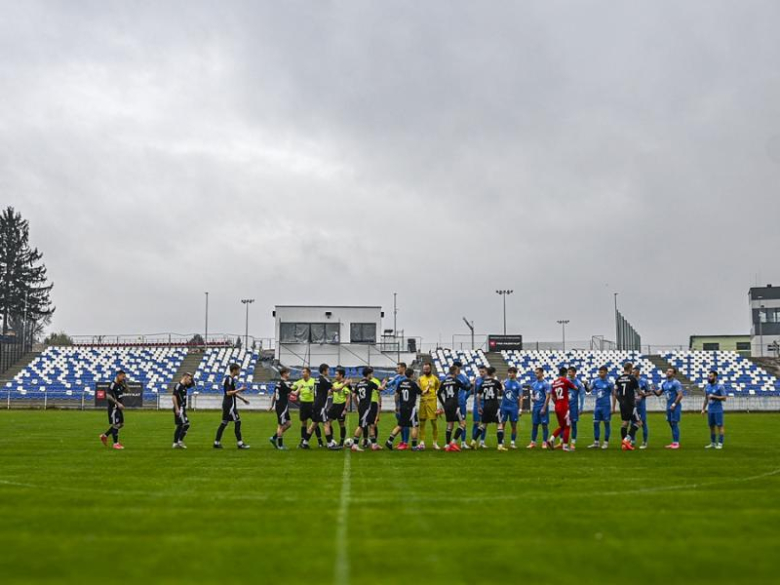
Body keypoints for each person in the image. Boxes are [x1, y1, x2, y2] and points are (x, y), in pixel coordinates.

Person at [214, 363, 250, 450]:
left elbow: (232, 393)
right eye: (238, 370)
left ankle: (216, 443)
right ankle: (240, 444)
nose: (239, 371)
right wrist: (240, 389)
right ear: (234, 370)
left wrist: (242, 399)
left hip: (227, 404)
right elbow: (228, 393)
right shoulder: (229, 379)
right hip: (230, 405)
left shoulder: (230, 379)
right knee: (238, 422)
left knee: (224, 423)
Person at [385, 368, 423, 450]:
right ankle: (414, 446)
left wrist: (397, 406)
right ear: (412, 375)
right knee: (414, 426)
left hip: (402, 407)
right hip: (410, 408)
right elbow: (421, 392)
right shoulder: (413, 384)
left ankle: (389, 441)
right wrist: (421, 386)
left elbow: (396, 395)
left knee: (400, 425)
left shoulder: (400, 383)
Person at [437, 365, 468, 452]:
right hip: (454, 404)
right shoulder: (456, 381)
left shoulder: (444, 381)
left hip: (447, 405)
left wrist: (443, 404)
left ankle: (447, 444)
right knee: (462, 424)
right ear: (454, 371)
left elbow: (438, 393)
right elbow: (466, 388)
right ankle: (453, 443)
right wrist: (471, 384)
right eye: (457, 371)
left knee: (450, 424)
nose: (458, 372)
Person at [350, 367, 380, 452]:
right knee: (361, 426)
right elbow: (381, 388)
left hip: (362, 406)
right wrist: (385, 383)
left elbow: (354, 396)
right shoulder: (370, 383)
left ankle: (374, 445)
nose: (372, 375)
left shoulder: (358, 383)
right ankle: (355, 445)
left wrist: (357, 405)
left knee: (371, 424)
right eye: (372, 373)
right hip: (367, 407)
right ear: (369, 374)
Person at [476, 366, 506, 451]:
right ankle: (500, 445)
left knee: (483, 424)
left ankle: (474, 441)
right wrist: (502, 385)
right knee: (499, 424)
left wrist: (478, 406)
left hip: (485, 405)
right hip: (494, 405)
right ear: (493, 373)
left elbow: (478, 396)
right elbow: (501, 391)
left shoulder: (483, 383)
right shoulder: (495, 381)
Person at [613, 362, 641, 451]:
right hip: (631, 404)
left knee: (625, 423)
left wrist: (620, 400)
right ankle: (626, 439)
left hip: (623, 404)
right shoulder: (632, 378)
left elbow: (614, 392)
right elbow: (639, 392)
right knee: (639, 422)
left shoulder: (618, 378)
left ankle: (624, 445)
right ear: (630, 368)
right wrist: (648, 393)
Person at [302, 363, 331, 449]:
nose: (328, 371)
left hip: (315, 404)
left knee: (314, 424)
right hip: (321, 405)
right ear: (324, 370)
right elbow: (334, 389)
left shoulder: (317, 379)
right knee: (326, 423)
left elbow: (323, 391)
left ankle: (305, 442)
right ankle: (330, 443)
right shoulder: (325, 380)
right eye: (328, 370)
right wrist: (345, 384)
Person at [654, 367, 684, 449]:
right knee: (671, 424)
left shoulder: (676, 383)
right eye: (667, 371)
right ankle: (674, 442)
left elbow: (680, 394)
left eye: (670, 371)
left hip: (675, 406)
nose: (668, 372)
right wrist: (653, 390)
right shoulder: (664, 383)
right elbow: (658, 393)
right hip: (668, 406)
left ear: (674, 374)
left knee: (674, 423)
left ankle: (676, 443)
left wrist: (674, 404)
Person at [269, 367, 297, 450]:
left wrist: (271, 405)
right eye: (288, 373)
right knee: (280, 426)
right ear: (284, 374)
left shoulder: (278, 383)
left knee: (288, 424)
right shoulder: (283, 384)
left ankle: (274, 438)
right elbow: (295, 393)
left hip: (281, 406)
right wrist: (300, 387)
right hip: (282, 407)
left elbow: (274, 395)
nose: (289, 374)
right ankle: (280, 445)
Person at [549, 367, 577, 451]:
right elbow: (575, 388)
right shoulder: (565, 381)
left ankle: (551, 439)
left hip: (557, 406)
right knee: (568, 426)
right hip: (564, 407)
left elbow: (553, 397)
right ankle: (565, 446)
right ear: (565, 373)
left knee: (562, 426)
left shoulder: (554, 383)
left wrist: (557, 403)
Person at [100, 370, 127, 450]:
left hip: (118, 408)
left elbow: (127, 391)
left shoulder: (120, 384)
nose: (123, 378)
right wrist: (117, 403)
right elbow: (108, 396)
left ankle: (104, 436)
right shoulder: (112, 384)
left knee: (121, 424)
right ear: (118, 375)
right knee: (116, 424)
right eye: (122, 376)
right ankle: (116, 444)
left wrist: (125, 385)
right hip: (114, 408)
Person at [384, 363, 410, 447]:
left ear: (403, 368)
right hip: (398, 403)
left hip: (405, 403)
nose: (397, 369)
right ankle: (403, 441)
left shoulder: (407, 379)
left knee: (405, 424)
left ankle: (405, 442)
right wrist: (384, 383)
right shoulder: (397, 377)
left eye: (398, 368)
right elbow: (388, 385)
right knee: (401, 423)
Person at [325, 367, 351, 449]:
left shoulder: (346, 385)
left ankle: (342, 442)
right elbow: (329, 393)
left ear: (341, 375)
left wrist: (345, 409)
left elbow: (348, 398)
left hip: (341, 406)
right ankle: (331, 440)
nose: (335, 375)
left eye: (336, 374)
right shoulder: (334, 384)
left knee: (341, 424)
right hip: (334, 406)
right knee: (328, 422)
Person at [587, 366, 613, 449]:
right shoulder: (595, 381)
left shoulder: (609, 383)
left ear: (606, 372)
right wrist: (585, 385)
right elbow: (588, 390)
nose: (600, 373)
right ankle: (596, 442)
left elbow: (614, 394)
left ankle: (606, 442)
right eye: (599, 372)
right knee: (595, 424)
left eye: (602, 372)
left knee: (606, 424)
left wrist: (613, 407)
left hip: (606, 406)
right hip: (597, 406)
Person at [417, 363, 441, 450]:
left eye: (427, 369)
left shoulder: (435, 379)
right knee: (422, 422)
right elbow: (419, 390)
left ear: (430, 369)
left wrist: (439, 405)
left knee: (434, 423)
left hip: (432, 402)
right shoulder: (420, 379)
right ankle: (422, 442)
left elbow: (438, 389)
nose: (426, 370)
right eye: (424, 369)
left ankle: (435, 443)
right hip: (423, 402)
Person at [701, 370, 726, 449]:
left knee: (720, 426)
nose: (709, 377)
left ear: (715, 377)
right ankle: (713, 443)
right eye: (709, 376)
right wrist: (703, 409)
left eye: (711, 376)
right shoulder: (707, 387)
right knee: (711, 427)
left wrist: (714, 396)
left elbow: (724, 398)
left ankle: (720, 443)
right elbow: (706, 399)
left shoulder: (720, 386)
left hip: (718, 410)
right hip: (710, 410)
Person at [526, 367, 551, 449]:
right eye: (535, 373)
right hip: (535, 407)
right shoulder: (533, 384)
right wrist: (532, 398)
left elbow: (547, 397)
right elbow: (533, 395)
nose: (536, 374)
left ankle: (544, 442)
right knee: (534, 425)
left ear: (541, 373)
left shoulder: (546, 384)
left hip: (543, 407)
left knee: (544, 425)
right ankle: (533, 442)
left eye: (537, 373)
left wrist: (544, 408)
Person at [500, 367, 523, 449]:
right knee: (502, 424)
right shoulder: (505, 382)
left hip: (513, 407)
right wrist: (501, 386)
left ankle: (512, 442)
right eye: (509, 372)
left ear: (515, 374)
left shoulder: (518, 385)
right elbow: (501, 393)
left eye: (511, 372)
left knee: (513, 426)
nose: (510, 374)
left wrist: (520, 409)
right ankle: (501, 442)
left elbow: (520, 397)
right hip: (504, 407)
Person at [293, 367, 316, 448]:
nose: (302, 373)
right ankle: (302, 441)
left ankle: (320, 441)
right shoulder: (299, 382)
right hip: (303, 404)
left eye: (304, 372)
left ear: (308, 373)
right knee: (304, 423)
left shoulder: (314, 381)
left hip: (312, 404)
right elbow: (291, 389)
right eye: (302, 372)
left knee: (315, 422)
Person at [171, 372, 194, 449]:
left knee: (180, 425)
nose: (190, 381)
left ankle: (176, 443)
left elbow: (192, 384)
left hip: (182, 408)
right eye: (189, 379)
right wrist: (177, 408)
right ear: (185, 377)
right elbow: (174, 397)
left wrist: (191, 380)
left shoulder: (184, 386)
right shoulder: (178, 386)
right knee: (186, 424)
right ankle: (179, 441)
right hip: (179, 409)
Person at [633, 366, 652, 449]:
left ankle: (644, 442)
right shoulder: (631, 380)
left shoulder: (644, 381)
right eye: (632, 371)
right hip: (632, 406)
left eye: (635, 371)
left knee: (643, 423)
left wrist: (643, 395)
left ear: (638, 371)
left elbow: (650, 392)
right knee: (632, 423)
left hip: (641, 406)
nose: (633, 372)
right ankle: (632, 441)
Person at [567, 366, 585, 450]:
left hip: (574, 407)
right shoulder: (566, 381)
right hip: (565, 407)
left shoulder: (578, 383)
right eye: (568, 372)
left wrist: (581, 408)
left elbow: (582, 396)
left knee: (573, 425)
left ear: (574, 373)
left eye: (570, 372)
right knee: (564, 425)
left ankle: (573, 443)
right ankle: (562, 442)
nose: (569, 373)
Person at [470, 365, 488, 449]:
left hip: (486, 404)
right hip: (477, 404)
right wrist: (472, 385)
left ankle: (482, 442)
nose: (481, 373)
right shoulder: (477, 380)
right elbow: (473, 391)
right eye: (480, 371)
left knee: (484, 423)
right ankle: (474, 441)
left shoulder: (489, 380)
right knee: (476, 423)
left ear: (486, 371)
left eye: (483, 371)